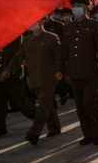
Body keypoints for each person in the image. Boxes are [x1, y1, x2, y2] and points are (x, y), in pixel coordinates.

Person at [59, 0, 98, 145]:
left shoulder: (94, 24)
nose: (76, 8)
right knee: (80, 106)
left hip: (90, 71)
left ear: (87, 8)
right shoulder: (68, 27)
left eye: (79, 6)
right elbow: (64, 51)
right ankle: (87, 133)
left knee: (89, 103)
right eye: (74, 6)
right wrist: (60, 69)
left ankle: (97, 130)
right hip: (74, 72)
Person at [7, 17, 62, 145]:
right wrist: (8, 70)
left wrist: (61, 72)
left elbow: (59, 57)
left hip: (49, 78)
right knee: (46, 104)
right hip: (35, 79)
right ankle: (54, 127)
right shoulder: (26, 40)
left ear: (41, 22)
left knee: (42, 106)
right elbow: (18, 57)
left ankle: (34, 133)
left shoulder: (51, 37)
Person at [0, 36, 36, 138]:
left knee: (20, 103)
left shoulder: (15, 35)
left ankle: (39, 116)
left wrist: (8, 70)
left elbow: (18, 55)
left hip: (13, 76)